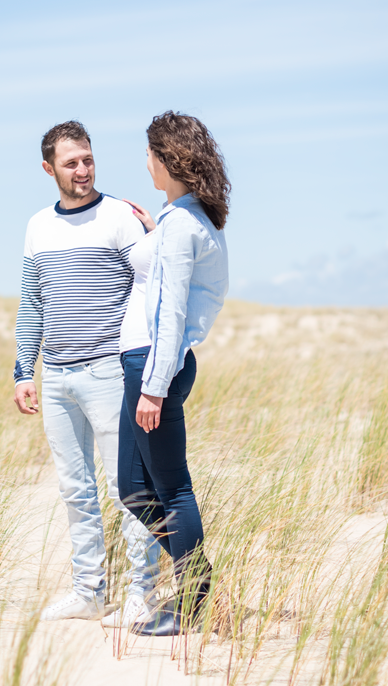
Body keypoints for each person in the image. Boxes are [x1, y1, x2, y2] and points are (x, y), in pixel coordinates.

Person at [14, 121, 162, 620]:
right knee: (75, 490)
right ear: (48, 168)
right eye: (71, 162)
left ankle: (141, 595)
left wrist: (158, 236)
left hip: (108, 373)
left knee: (129, 490)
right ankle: (89, 592)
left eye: (88, 160)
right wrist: (22, 372)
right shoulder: (38, 226)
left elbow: (158, 281)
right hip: (55, 379)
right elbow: (33, 303)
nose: (82, 170)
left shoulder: (120, 216)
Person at [105, 111, 230, 635]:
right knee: (134, 488)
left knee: (172, 488)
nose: (147, 165)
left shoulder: (183, 225)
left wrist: (153, 389)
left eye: (151, 156)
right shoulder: (184, 218)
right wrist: (156, 228)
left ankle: (195, 602)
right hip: (147, 363)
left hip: (153, 365)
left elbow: (171, 312)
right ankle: (197, 580)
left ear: (169, 159)